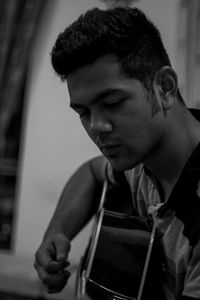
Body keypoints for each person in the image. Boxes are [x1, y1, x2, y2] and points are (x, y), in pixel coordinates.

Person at [34, 6, 200, 300]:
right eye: (83, 112)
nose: (97, 126)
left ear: (165, 87)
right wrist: (57, 232)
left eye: (112, 101)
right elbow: (91, 172)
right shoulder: (139, 160)